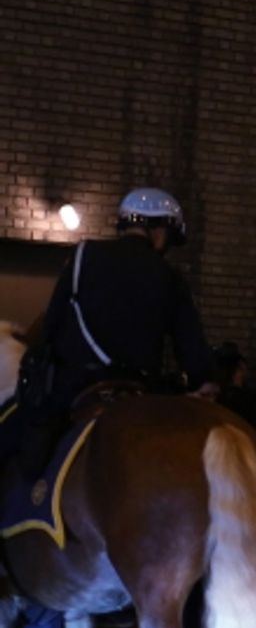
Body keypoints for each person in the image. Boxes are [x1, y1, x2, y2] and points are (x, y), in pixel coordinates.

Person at [10, 188, 213, 471]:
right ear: (159, 230)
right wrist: (200, 381)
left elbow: (52, 324)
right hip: (140, 392)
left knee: (22, 452)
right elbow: (194, 354)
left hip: (74, 386)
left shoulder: (83, 255)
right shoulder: (169, 276)